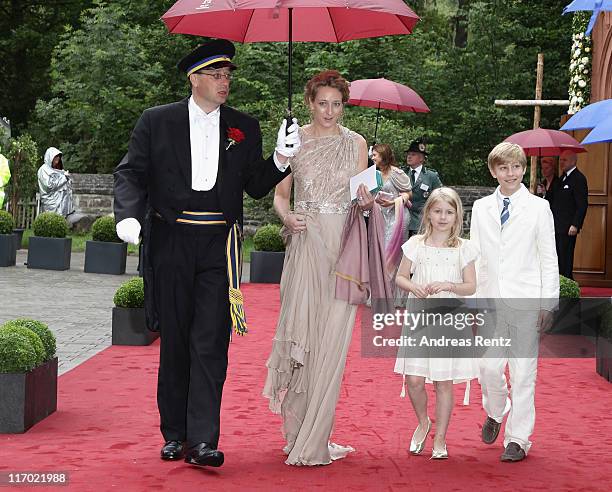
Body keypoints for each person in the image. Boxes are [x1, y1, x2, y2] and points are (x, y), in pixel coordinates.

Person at [113, 39, 300, 468]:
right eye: (215, 74)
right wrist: (127, 215)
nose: (224, 82)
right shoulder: (156, 121)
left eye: (228, 75)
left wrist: (280, 156)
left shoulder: (243, 126)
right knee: (175, 338)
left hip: (220, 244)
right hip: (171, 242)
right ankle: (174, 433)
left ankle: (202, 440)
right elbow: (130, 173)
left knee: (211, 342)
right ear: (193, 78)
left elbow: (255, 185)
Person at [262, 70, 374, 466]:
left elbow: (366, 198)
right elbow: (279, 195)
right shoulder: (296, 141)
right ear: (310, 103)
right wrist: (287, 218)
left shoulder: (358, 143)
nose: (330, 111)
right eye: (322, 103)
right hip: (306, 242)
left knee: (331, 344)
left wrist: (365, 200)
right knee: (302, 337)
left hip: (343, 248)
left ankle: (316, 437)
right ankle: (297, 432)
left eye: (337, 104)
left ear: (345, 105)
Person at [470, 142, 558, 462]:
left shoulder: (539, 208)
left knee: (524, 373)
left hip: (526, 300)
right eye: (504, 167)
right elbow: (477, 257)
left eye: (517, 167)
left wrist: (548, 303)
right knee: (488, 368)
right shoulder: (480, 208)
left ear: (524, 169)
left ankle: (518, 439)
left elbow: (549, 258)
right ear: (494, 171)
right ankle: (496, 410)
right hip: (491, 302)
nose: (511, 173)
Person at [394, 187, 479, 459]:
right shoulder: (416, 244)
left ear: (457, 217)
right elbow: (400, 277)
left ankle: (440, 438)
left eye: (449, 212)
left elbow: (471, 286)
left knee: (444, 381)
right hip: (420, 316)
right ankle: (423, 422)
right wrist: (414, 286)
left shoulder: (463, 248)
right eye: (438, 211)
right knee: (415, 379)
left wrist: (450, 285)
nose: (443, 217)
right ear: (428, 213)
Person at [371, 143, 412, 302]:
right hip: (382, 216)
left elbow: (409, 193)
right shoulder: (375, 174)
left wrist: (393, 202)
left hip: (397, 217)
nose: (372, 157)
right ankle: (381, 293)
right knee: (380, 252)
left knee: (392, 254)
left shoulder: (396, 173)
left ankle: (394, 296)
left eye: (375, 155)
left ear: (383, 155)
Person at [549, 150, 588, 279]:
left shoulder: (579, 178)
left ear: (573, 161)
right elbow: (553, 199)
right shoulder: (561, 178)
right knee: (558, 256)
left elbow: (582, 204)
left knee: (566, 257)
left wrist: (575, 224)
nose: (561, 163)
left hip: (568, 227)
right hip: (556, 225)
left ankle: (567, 283)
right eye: (560, 160)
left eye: (564, 160)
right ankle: (560, 283)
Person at [404, 139, 442, 237]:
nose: (409, 156)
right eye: (408, 154)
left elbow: (439, 197)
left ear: (421, 158)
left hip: (421, 222)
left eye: (413, 154)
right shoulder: (402, 173)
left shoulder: (431, 176)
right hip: (403, 221)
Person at [37, 147, 74, 217]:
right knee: (51, 221)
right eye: (55, 156)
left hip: (61, 205)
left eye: (58, 156)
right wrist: (64, 178)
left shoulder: (58, 170)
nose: (58, 158)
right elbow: (49, 186)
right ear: (50, 157)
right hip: (51, 204)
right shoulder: (43, 170)